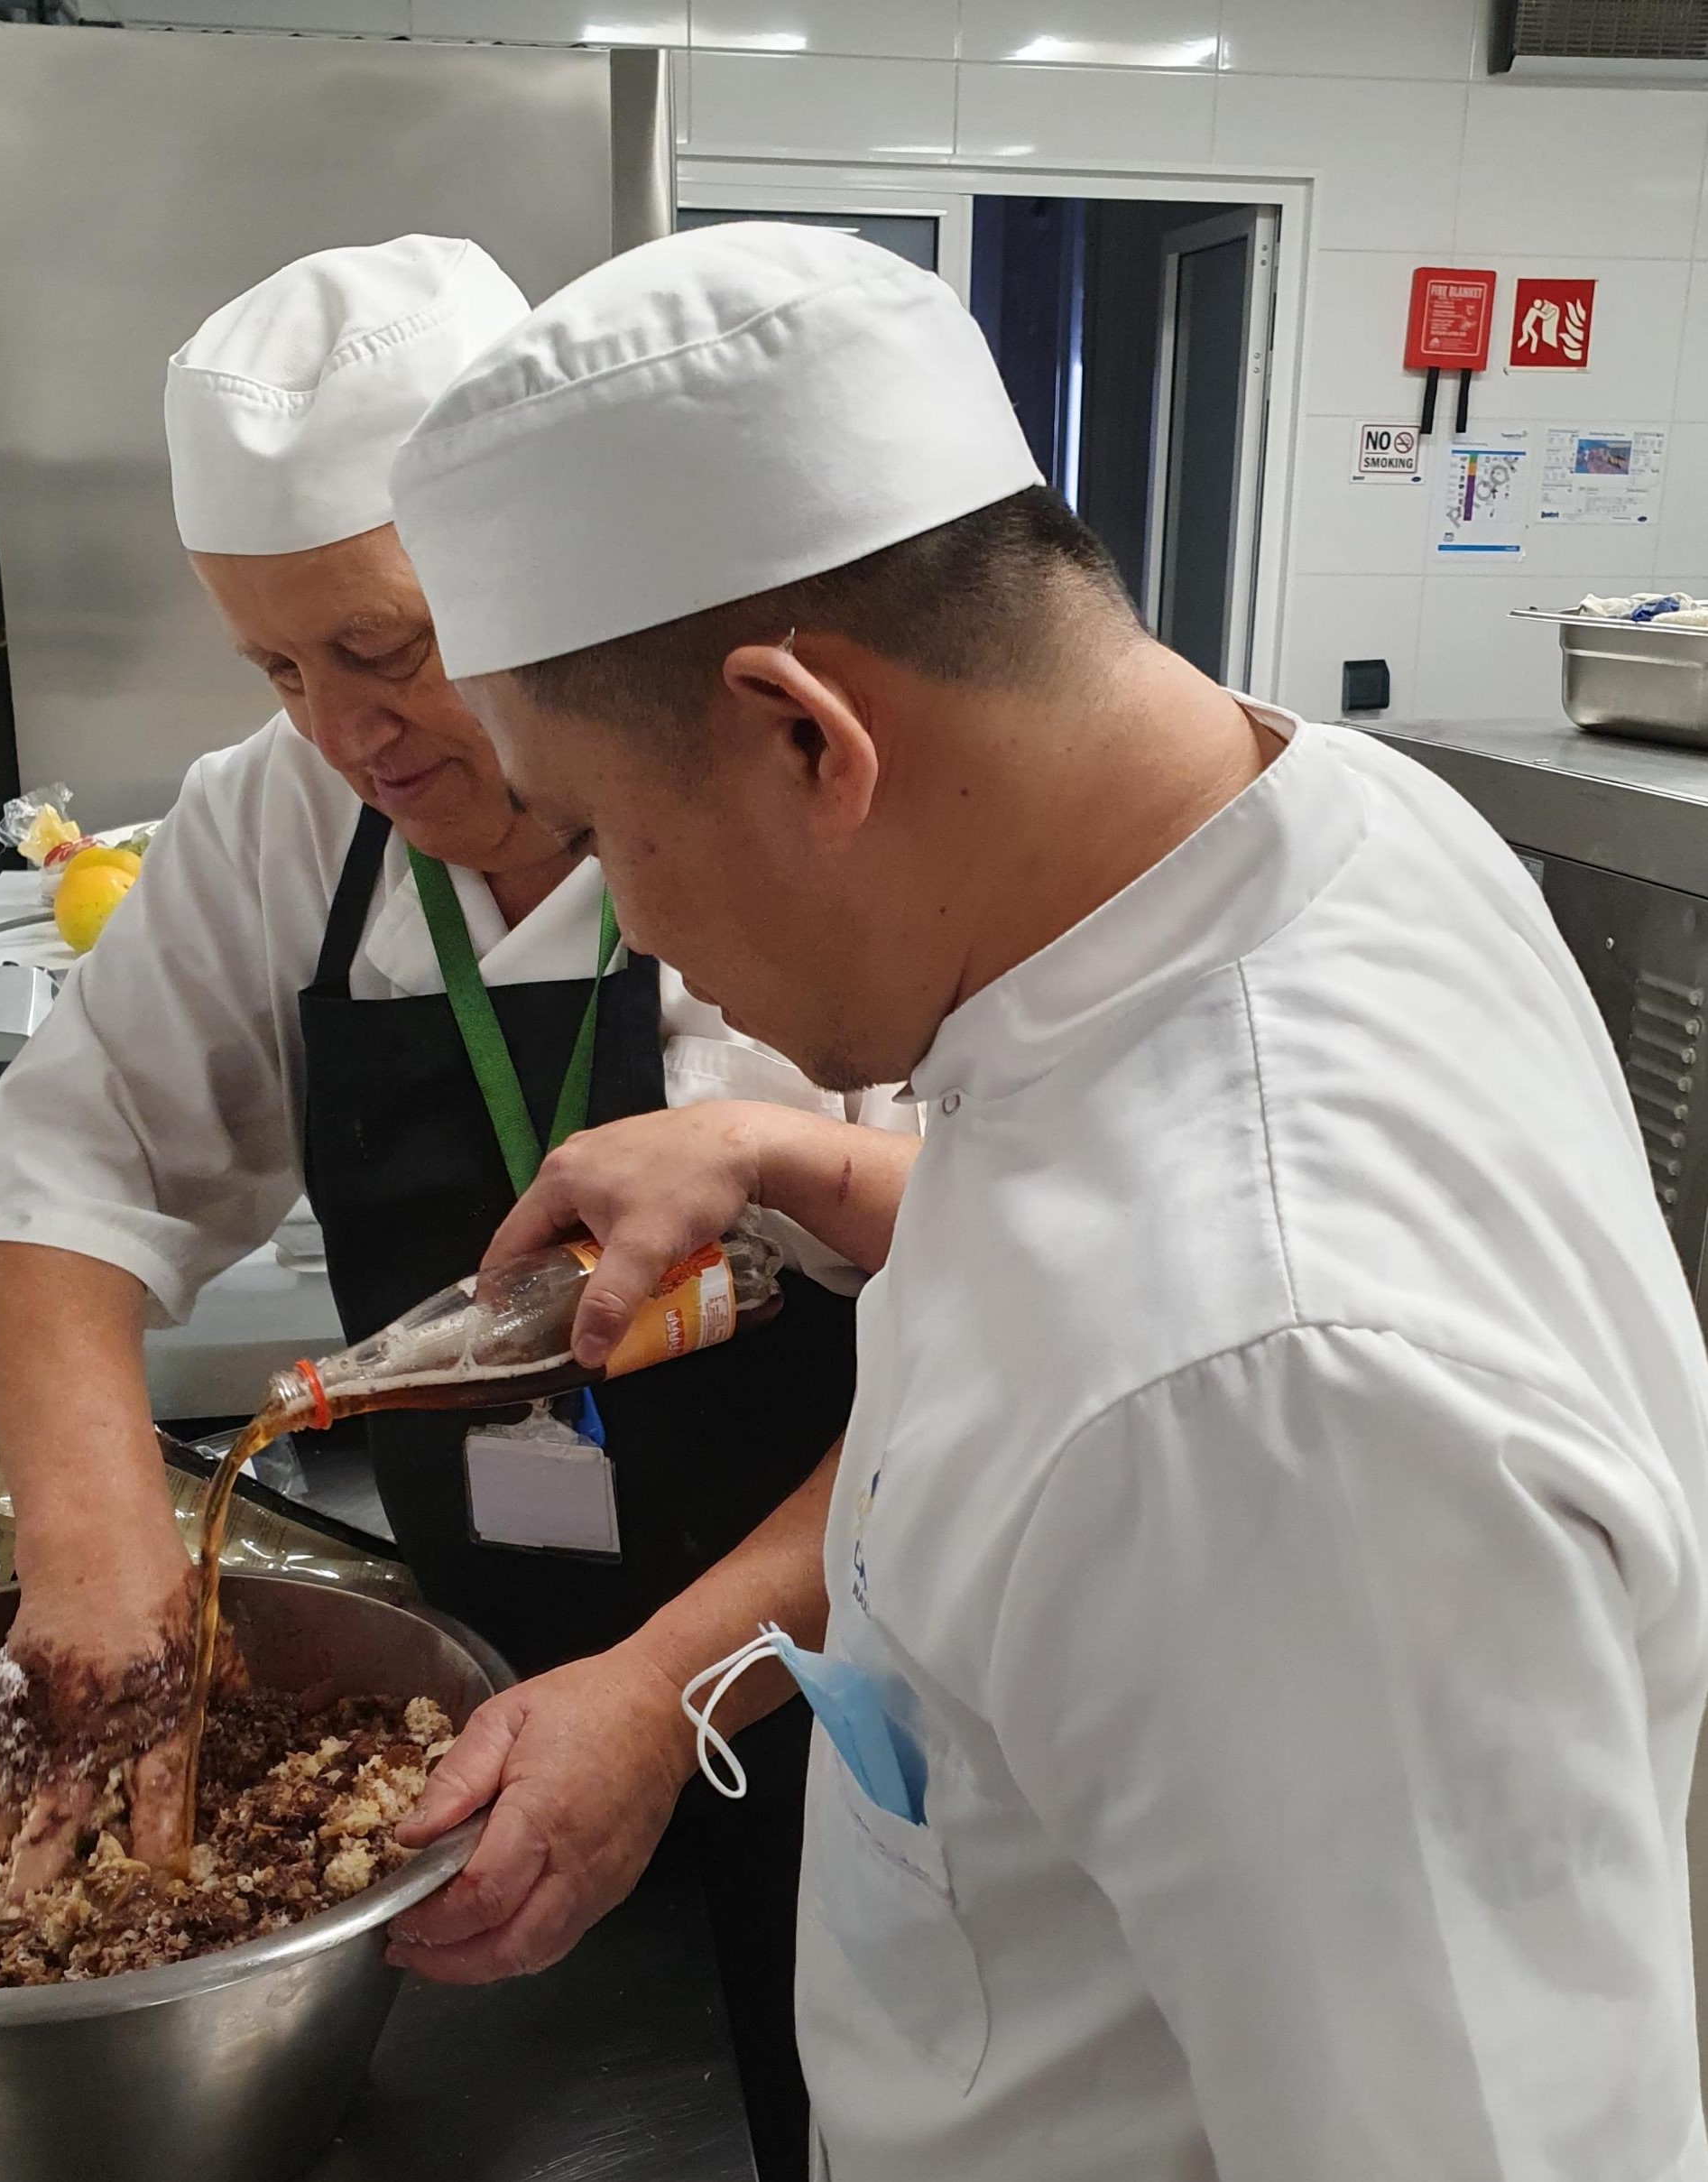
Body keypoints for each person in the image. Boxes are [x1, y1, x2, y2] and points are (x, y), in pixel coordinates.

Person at [383, 222, 1708, 2180]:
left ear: (804, 734)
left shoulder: (1263, 1413)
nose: (628, 924)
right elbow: (1105, 1202)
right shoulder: (1299, 821)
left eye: (595, 832)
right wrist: (800, 1157)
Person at [0, 235, 913, 2180]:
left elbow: (986, 1321)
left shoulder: (775, 798)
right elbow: (66, 1169)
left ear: (548, 570)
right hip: (489, 1666)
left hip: (837, 1656)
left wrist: (657, 1695)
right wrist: (100, 1548)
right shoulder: (281, 816)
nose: (340, 731)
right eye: (277, 667)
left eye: (386, 652)